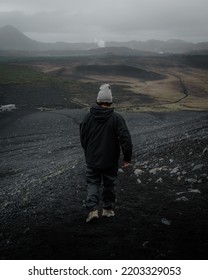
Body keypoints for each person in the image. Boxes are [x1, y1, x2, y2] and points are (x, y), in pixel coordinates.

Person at [80, 84, 133, 223]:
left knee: (93, 183)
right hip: (110, 160)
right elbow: (126, 140)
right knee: (109, 184)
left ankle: (92, 211)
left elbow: (83, 138)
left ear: (98, 101)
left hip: (92, 159)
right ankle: (107, 210)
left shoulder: (87, 118)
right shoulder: (117, 119)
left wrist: (88, 153)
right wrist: (127, 158)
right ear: (110, 101)